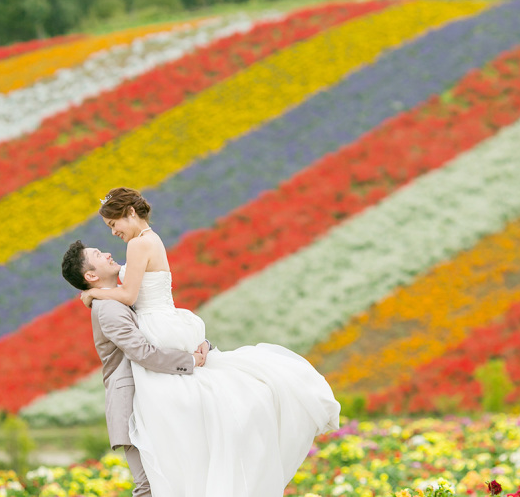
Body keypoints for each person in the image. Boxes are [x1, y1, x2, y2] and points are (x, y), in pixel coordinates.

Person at [78, 187, 340, 497]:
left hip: (156, 325)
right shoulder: (152, 239)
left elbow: (129, 295)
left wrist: (93, 293)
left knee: (167, 411)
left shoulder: (137, 245)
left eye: (113, 224)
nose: (113, 233)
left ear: (130, 214)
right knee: (198, 403)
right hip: (168, 320)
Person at [61, 240, 211, 497]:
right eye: (98, 254)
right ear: (91, 275)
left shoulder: (123, 296)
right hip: (132, 406)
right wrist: (190, 360)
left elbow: (162, 330)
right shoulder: (108, 308)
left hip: (155, 400)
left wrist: (202, 345)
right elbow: (143, 353)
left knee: (173, 481)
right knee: (149, 486)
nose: (108, 252)